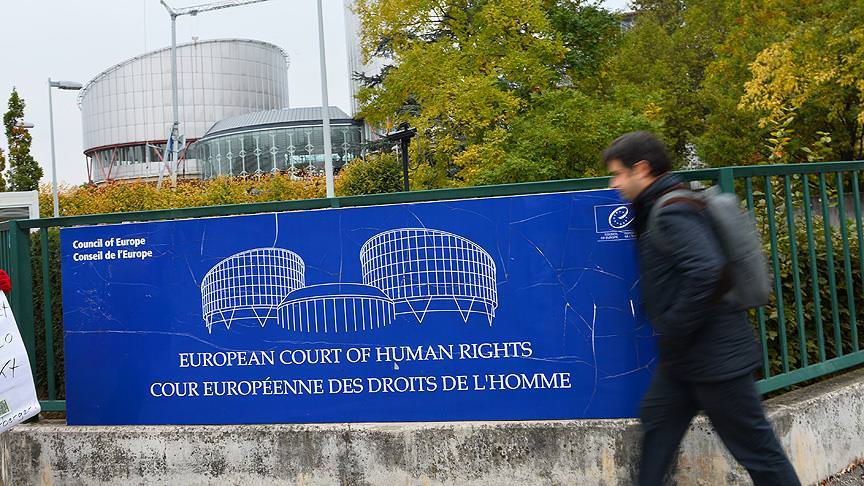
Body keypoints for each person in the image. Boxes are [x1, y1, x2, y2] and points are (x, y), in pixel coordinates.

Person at [603, 131, 800, 485]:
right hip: (684, 360)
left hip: (716, 359)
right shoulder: (659, 206)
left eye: (618, 174)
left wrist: (674, 327)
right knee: (657, 428)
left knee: (758, 452)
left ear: (641, 169)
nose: (613, 184)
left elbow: (708, 272)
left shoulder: (671, 210)